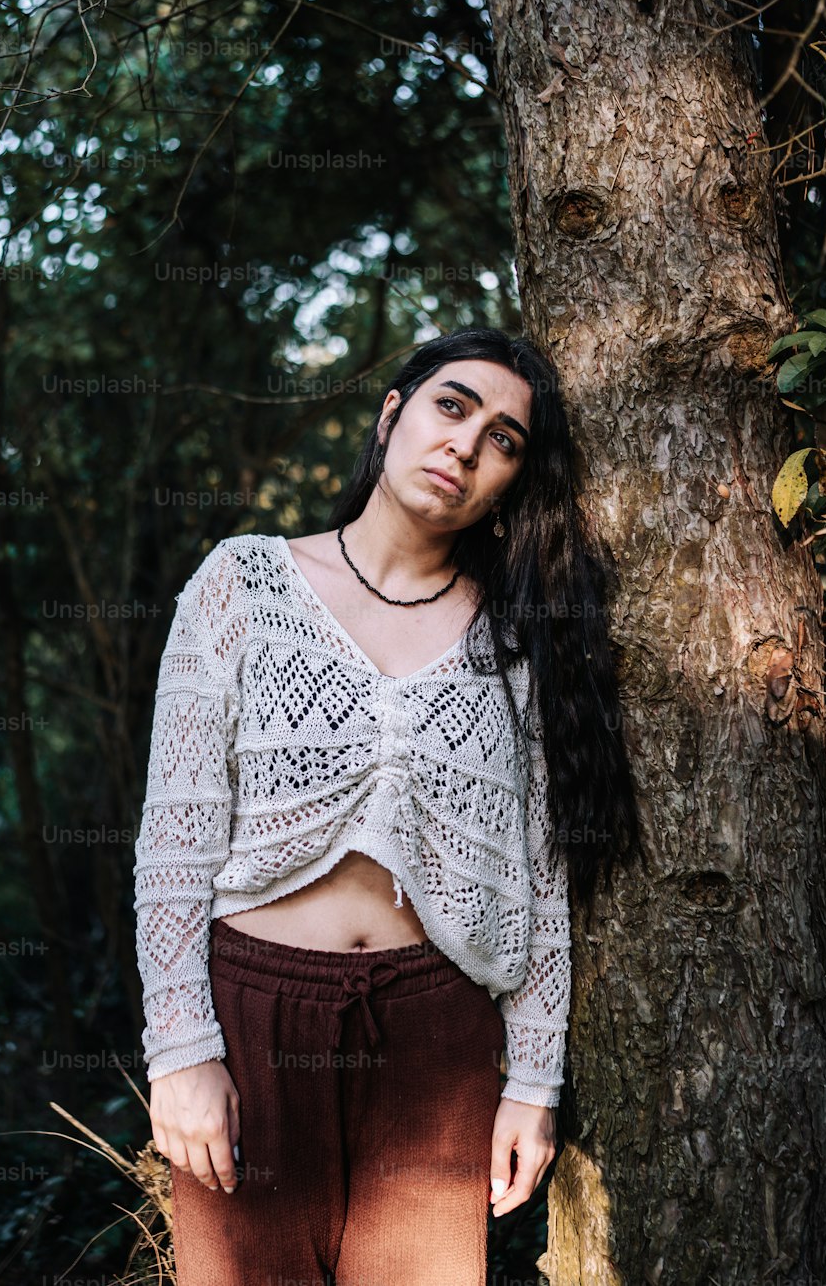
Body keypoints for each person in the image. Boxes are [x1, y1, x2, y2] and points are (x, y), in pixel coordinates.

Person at [133, 325, 643, 1286]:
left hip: (437, 1042)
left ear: (510, 484)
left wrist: (533, 1086)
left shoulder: (515, 642)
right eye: (453, 406)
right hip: (252, 1023)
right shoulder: (244, 585)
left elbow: (536, 878)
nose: (467, 445)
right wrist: (182, 1054)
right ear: (391, 414)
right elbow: (174, 845)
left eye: (504, 440)